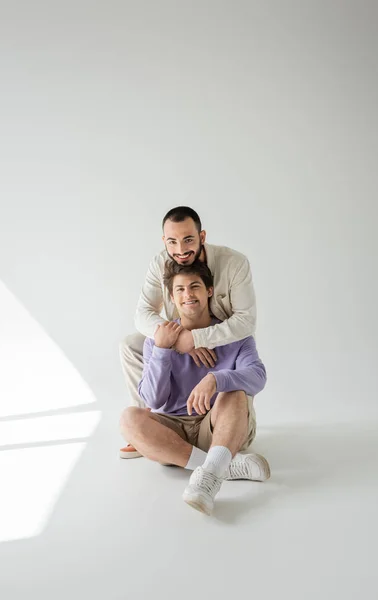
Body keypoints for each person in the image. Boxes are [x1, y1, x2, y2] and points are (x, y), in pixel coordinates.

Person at [120, 260, 269, 515]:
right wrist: (163, 349)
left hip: (218, 426)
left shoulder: (233, 334)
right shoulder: (158, 339)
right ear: (171, 296)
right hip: (172, 430)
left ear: (209, 290)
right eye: (180, 289)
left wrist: (216, 379)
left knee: (234, 391)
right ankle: (221, 466)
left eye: (194, 287)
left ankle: (209, 477)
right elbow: (154, 400)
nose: (187, 295)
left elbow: (257, 376)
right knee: (129, 419)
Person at [120, 206, 257, 458]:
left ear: (202, 237)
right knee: (131, 344)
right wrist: (176, 339)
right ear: (164, 241)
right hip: (183, 333)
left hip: (223, 339)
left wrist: (198, 337)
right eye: (172, 242)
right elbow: (143, 313)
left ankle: (225, 436)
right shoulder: (160, 262)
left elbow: (246, 321)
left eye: (188, 240)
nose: (181, 250)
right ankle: (148, 421)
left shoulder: (234, 263)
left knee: (234, 383)